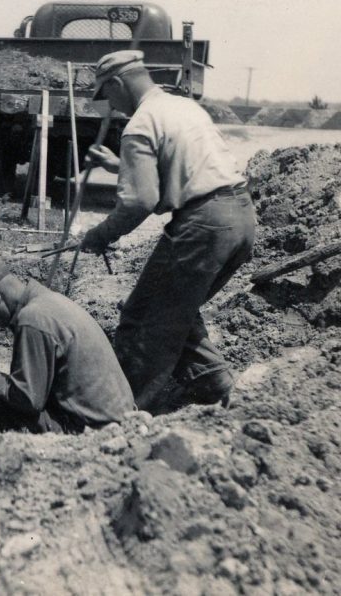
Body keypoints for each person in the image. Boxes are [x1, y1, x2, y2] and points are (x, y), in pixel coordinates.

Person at [81, 50, 256, 412]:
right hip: (239, 216)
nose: (108, 106)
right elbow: (181, 170)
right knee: (175, 308)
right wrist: (122, 165)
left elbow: (139, 202)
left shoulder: (141, 123)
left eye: (105, 95)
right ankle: (222, 392)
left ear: (116, 84)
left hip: (204, 225)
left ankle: (120, 412)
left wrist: (101, 235)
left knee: (143, 320)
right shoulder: (182, 107)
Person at [0, 257, 134, 434]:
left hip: (91, 430)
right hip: (118, 420)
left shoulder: (32, 318)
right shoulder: (48, 302)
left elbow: (27, 400)